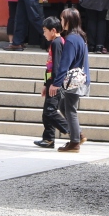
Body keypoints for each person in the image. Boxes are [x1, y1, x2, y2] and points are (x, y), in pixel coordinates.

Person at [49, 7, 89, 152]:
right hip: (80, 78)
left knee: (69, 108)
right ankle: (78, 134)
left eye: (62, 19)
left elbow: (64, 63)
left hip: (73, 80)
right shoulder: (80, 37)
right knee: (64, 106)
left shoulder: (71, 39)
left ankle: (75, 142)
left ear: (68, 21)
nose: (61, 22)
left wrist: (56, 83)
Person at [33, 16, 69, 149]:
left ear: (53, 30)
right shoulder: (55, 42)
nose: (44, 34)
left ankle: (73, 131)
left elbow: (57, 66)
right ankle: (48, 138)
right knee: (46, 112)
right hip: (51, 82)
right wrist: (45, 84)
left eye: (45, 31)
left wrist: (54, 84)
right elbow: (49, 66)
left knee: (50, 111)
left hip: (55, 83)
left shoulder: (57, 43)